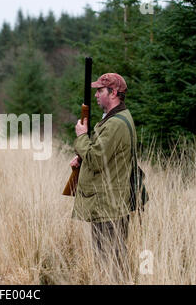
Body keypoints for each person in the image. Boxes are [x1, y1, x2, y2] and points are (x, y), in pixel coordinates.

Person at [70, 73, 136, 281]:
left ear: (114, 93)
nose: (96, 95)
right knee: (108, 263)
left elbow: (97, 159)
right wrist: (82, 157)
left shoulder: (115, 123)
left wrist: (81, 137)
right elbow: (102, 154)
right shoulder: (112, 119)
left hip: (109, 205)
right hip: (107, 203)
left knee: (111, 264)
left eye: (100, 90)